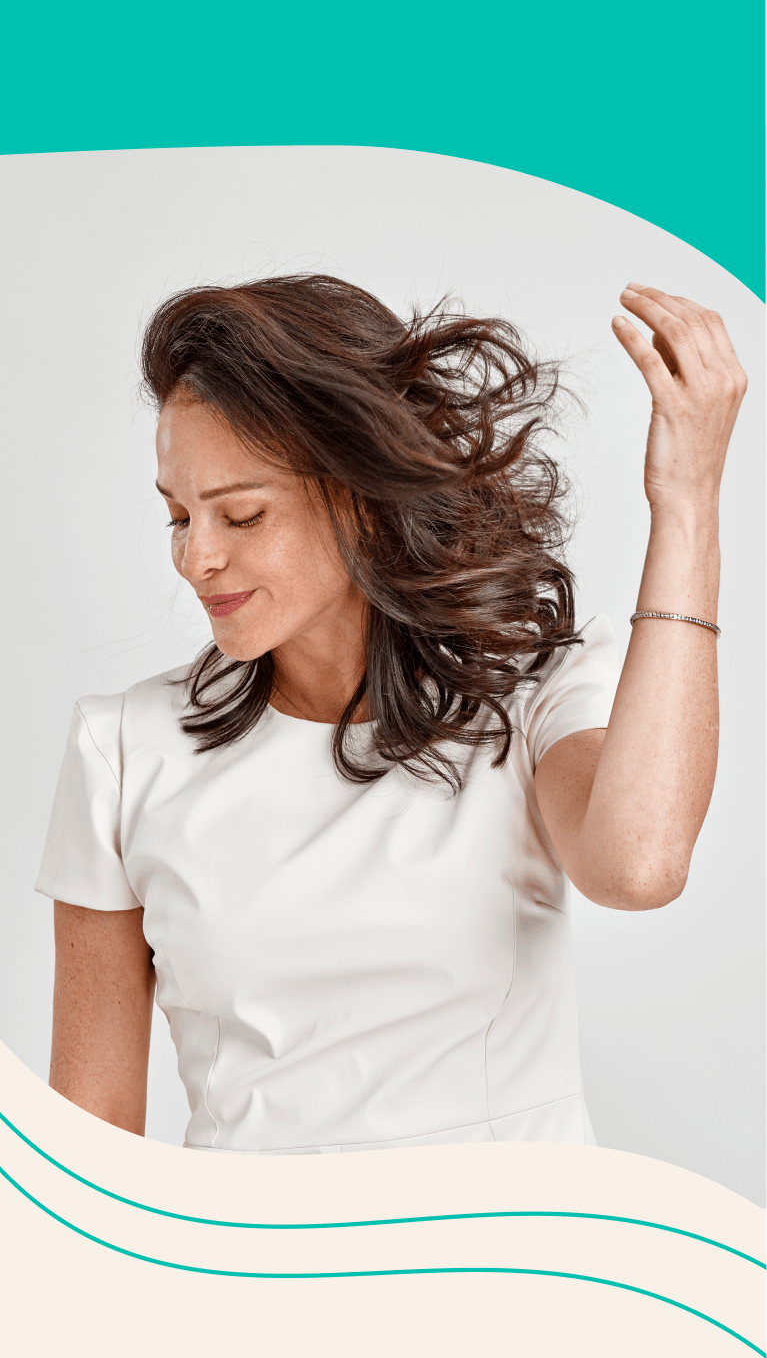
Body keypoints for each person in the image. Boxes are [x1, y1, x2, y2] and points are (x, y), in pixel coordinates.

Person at [36, 275, 746, 1154]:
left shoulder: (529, 697)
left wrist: (685, 504)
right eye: (177, 515)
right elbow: (89, 1141)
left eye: (240, 514)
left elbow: (636, 867)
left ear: (360, 497)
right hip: (248, 1281)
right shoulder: (122, 747)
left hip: (508, 1273)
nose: (197, 556)